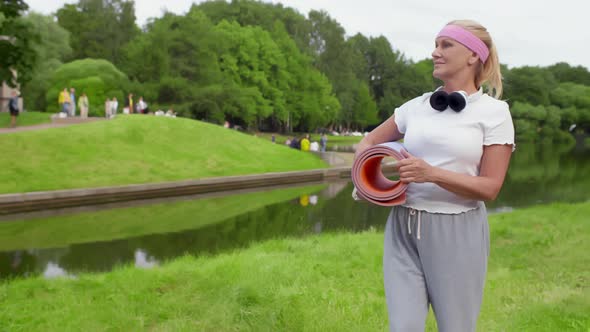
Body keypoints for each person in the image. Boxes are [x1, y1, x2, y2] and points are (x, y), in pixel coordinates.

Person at [354, 20, 514, 332]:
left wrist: (431, 173)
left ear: (472, 55)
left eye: (445, 45)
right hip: (403, 227)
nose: (434, 53)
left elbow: (490, 187)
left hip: (458, 231)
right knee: (404, 327)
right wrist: (365, 180)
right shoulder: (415, 107)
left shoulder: (495, 113)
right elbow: (369, 142)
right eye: (435, 45)